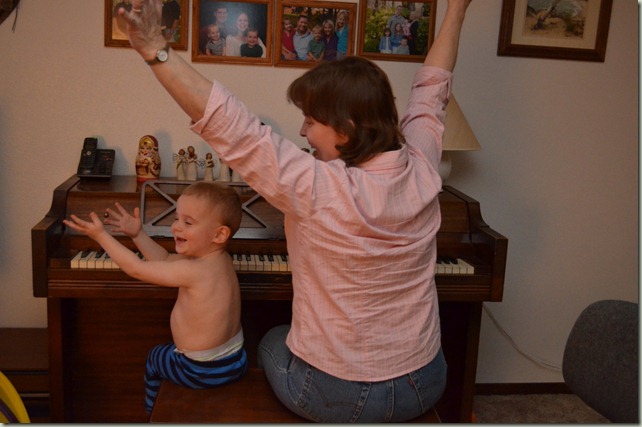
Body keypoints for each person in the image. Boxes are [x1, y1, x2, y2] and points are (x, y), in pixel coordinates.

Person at [116, 0, 472, 421]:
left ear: (346, 131)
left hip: (341, 396)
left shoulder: (320, 187)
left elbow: (233, 127)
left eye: (311, 121)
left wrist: (154, 47)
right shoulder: (423, 165)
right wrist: (457, 9)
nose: (302, 130)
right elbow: (432, 90)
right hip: (425, 380)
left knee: (271, 339)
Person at [62, 181, 247, 415]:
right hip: (235, 360)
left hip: (199, 369)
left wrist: (101, 236)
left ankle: (151, 413)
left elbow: (136, 268)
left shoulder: (194, 270)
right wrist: (137, 235)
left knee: (154, 357)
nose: (176, 227)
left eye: (188, 222)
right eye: (176, 218)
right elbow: (164, 259)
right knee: (170, 349)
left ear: (219, 234)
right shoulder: (218, 259)